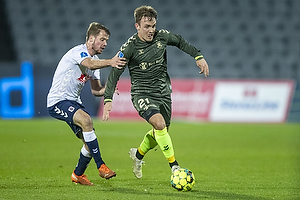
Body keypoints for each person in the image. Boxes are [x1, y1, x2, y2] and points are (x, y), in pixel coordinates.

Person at [102, 5, 209, 179]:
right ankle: (175, 167)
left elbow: (180, 41)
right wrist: (108, 99)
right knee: (159, 124)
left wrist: (198, 56)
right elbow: (115, 71)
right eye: (147, 27)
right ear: (137, 26)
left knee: (162, 130)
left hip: (163, 91)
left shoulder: (162, 37)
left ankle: (137, 155)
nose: (151, 30)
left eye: (153, 26)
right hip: (142, 93)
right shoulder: (129, 47)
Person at [47, 22, 126, 185]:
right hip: (58, 100)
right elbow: (89, 64)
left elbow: (96, 90)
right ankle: (101, 166)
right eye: (102, 39)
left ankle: (78, 175)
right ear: (91, 39)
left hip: (74, 102)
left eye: (107, 41)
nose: (105, 43)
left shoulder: (96, 61)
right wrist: (111, 61)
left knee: (90, 142)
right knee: (87, 120)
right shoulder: (79, 52)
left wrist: (108, 89)